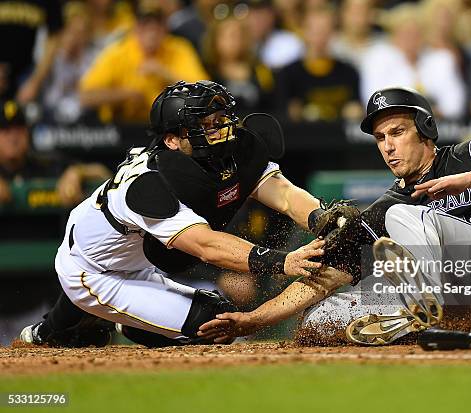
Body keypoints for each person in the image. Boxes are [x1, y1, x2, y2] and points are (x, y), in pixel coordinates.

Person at [199, 87, 471, 345]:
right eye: (380, 137)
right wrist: (254, 319)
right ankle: (417, 320)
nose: (388, 145)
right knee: (321, 320)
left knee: (405, 215)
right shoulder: (387, 204)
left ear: (427, 131)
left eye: (397, 132)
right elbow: (327, 273)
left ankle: (420, 313)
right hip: (458, 295)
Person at [19, 80, 331, 348]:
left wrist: (322, 219)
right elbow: (205, 245)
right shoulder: (149, 183)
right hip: (93, 270)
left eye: (222, 119)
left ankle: (73, 324)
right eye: (206, 126)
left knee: (213, 317)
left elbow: (286, 195)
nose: (221, 130)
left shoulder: (227, 153)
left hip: (136, 260)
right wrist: (284, 261)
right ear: (172, 140)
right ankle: (83, 324)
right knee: (216, 325)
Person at [79, 2, 207, 124]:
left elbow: (203, 91)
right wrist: (125, 95)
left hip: (170, 125)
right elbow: (86, 96)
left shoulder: (178, 49)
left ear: (165, 28)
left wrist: (164, 74)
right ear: (136, 29)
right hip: (124, 127)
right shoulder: (118, 52)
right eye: (145, 25)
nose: (151, 32)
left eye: (157, 25)